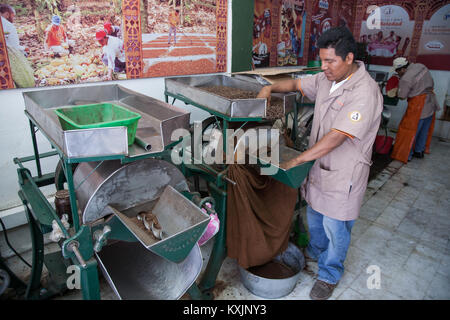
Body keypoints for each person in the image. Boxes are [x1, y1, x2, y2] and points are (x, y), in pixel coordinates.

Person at [257, 26, 383, 300]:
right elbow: (297, 84)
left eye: (330, 61)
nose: (323, 67)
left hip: (344, 173)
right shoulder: (327, 79)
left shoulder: (364, 92)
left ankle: (329, 274)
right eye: (322, 60)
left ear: (349, 58)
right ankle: (315, 251)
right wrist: (269, 87)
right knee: (314, 214)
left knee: (336, 226)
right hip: (320, 167)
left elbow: (338, 136)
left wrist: (299, 159)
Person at [390, 57, 440, 162]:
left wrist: (396, 92)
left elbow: (402, 96)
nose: (397, 74)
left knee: (409, 130)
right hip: (430, 101)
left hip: (418, 106)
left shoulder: (406, 78)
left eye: (397, 71)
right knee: (424, 130)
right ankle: (419, 151)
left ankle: (406, 154)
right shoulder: (421, 66)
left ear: (403, 69)